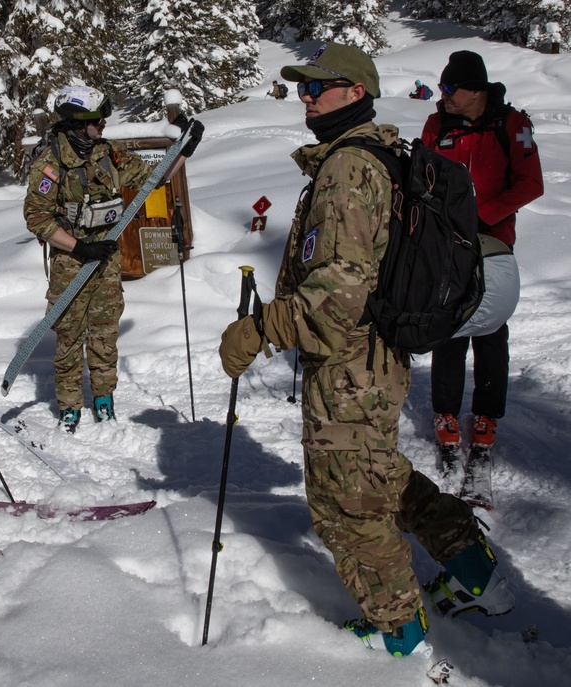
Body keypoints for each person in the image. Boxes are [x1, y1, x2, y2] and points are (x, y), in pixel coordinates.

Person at [218, 43, 514, 658]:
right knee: (379, 477)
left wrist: (258, 330)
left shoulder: (349, 169)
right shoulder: (374, 156)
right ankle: (475, 570)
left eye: (318, 86)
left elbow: (335, 298)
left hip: (351, 361)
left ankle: (398, 631)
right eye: (302, 86)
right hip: (372, 356)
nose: (305, 96)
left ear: (356, 93)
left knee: (346, 507)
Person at [23, 85, 203, 432]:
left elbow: (156, 178)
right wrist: (78, 247)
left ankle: (104, 399)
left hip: (107, 258)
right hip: (71, 261)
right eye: (96, 120)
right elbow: (37, 219)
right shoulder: (50, 164)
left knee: (105, 333)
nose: (103, 125)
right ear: (78, 123)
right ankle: (70, 406)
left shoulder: (109, 154)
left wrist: (185, 150)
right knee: (70, 336)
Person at [422, 50, 543, 455]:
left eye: (452, 88)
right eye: (442, 87)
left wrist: (482, 217)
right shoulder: (437, 125)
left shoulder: (511, 123)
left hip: (493, 241)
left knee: (491, 325)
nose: (445, 95)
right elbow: (422, 180)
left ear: (477, 91)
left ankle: (488, 413)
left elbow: (530, 183)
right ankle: (446, 412)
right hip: (447, 242)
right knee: (450, 323)